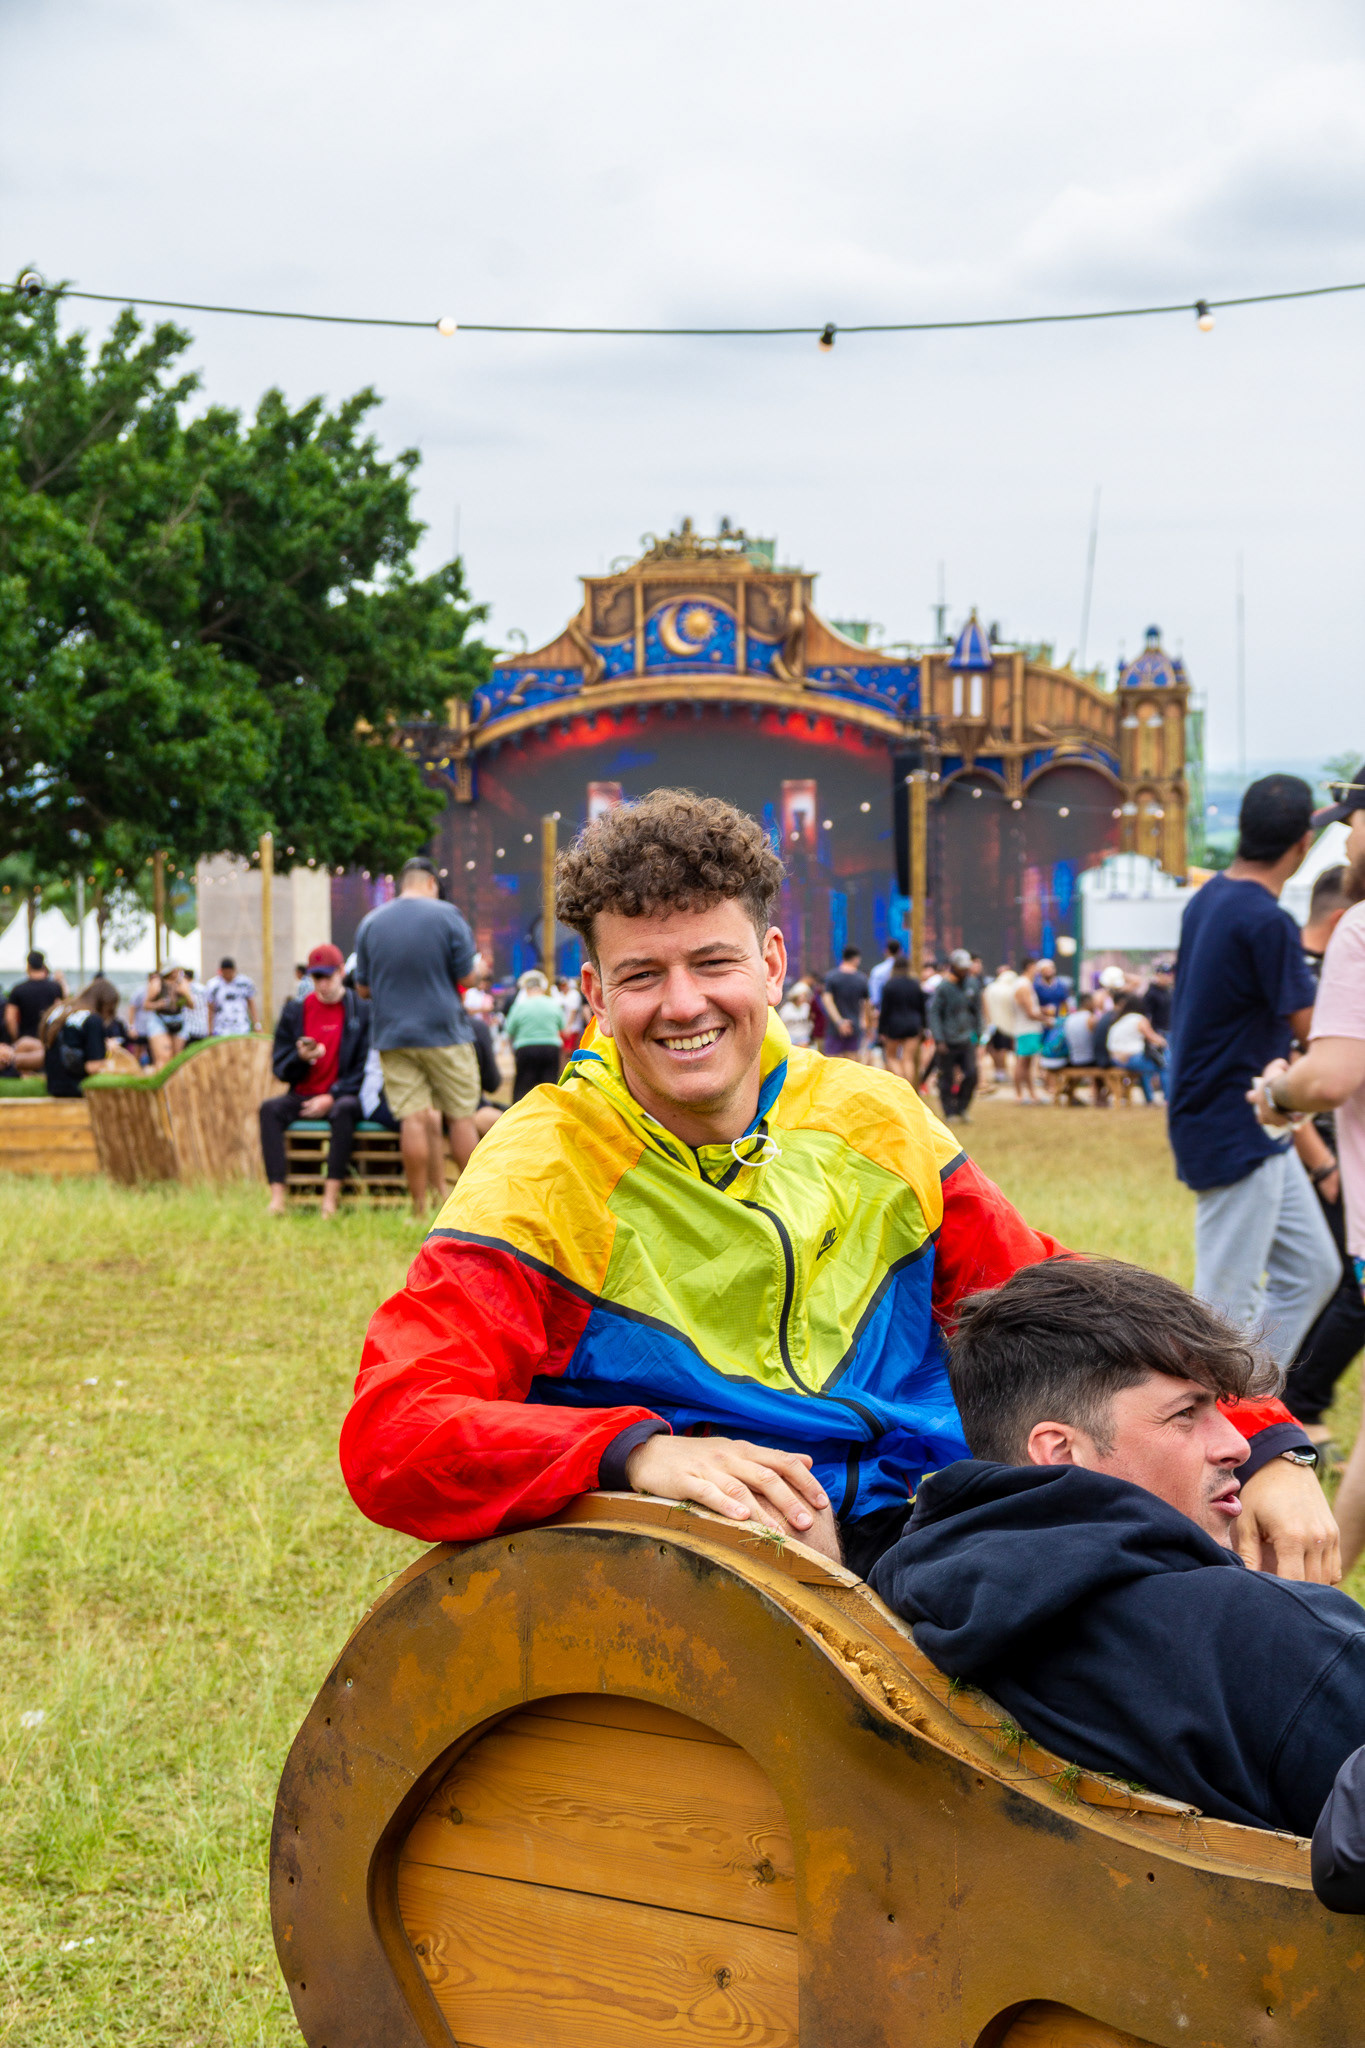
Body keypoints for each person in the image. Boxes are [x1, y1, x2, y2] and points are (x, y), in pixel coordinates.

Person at [340, 788, 1322, 1578]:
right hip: (740, 1569)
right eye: (642, 974)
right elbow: (396, 1428)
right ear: (593, 994)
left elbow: (1050, 1305)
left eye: (713, 961)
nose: (683, 1004)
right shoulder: (545, 1162)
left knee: (1239, 1629)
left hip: (943, 1530)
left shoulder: (872, 1116)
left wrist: (1262, 1442)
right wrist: (636, 1450)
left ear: (771, 963)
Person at [869, 1258, 1355, 1838]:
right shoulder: (1276, 1641)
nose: (1237, 1446)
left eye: (1221, 1409)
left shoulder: (902, 1605)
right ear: (1061, 1452)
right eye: (1186, 1414)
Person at [1166, 774, 1340, 1372]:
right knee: (1222, 1307)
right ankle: (1210, 1437)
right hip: (1237, 1117)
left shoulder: (1210, 897)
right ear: (1300, 847)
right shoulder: (1267, 922)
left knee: (1314, 1268)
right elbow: (1314, 1030)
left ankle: (1252, 1404)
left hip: (1242, 1122)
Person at [1249, 773, 1365, 1569]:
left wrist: (1275, 1091)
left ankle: (1311, 1601)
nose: (1344, 836)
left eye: (1353, 819)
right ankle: (1317, 1600)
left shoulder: (1358, 929)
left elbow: (1329, 1077)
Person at [1281, 863, 1365, 1445]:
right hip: (1327, 1148)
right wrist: (1319, 1157)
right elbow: (1303, 1072)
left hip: (1341, 1149)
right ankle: (1299, 1400)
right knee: (1342, 1286)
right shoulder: (1306, 974)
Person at [354, 856, 479, 1217]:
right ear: (430, 884)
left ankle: (419, 1209)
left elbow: (362, 989)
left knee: (412, 1117)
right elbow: (468, 978)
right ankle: (472, 1211)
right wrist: (480, 968)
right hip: (445, 1033)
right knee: (460, 1117)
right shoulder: (447, 915)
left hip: (393, 1035)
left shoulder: (371, 923)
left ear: (401, 883)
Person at [260, 944, 369, 1219]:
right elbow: (280, 1067)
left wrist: (332, 1095)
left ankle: (329, 1200)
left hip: (341, 1094)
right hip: (303, 1093)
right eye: (316, 977)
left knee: (344, 1109)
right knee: (269, 1110)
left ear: (342, 972)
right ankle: (277, 1199)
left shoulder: (360, 1010)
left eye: (328, 976)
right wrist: (300, 1057)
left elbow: (364, 1066)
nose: (322, 984)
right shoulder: (295, 1011)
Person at [40, 978, 121, 1096]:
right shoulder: (92, 1019)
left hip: (53, 1085)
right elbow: (93, 1066)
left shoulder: (59, 1011)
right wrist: (109, 1051)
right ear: (104, 1004)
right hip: (77, 1088)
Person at [927, 950, 981, 1122]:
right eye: (962, 968)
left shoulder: (972, 984)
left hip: (966, 1038)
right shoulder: (944, 987)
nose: (965, 972)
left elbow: (977, 1011)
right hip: (948, 1040)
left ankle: (962, 1108)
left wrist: (978, 1032)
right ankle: (949, 1112)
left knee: (972, 1074)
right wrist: (939, 1039)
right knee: (946, 1077)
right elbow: (934, 1013)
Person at [504, 970, 568, 1100]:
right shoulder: (553, 1004)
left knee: (523, 1088)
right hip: (551, 1048)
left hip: (526, 1049)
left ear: (526, 988)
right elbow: (563, 1027)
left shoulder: (520, 1006)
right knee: (550, 1087)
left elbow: (509, 1029)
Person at [5, 950, 64, 1072]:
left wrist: (16, 1038)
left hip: (25, 1041)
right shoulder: (55, 988)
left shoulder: (18, 990)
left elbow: (10, 1018)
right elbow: (61, 1013)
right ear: (43, 965)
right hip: (47, 1041)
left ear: (28, 966)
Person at [1105, 993, 1166, 1105]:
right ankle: (1168, 1098)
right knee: (1164, 1065)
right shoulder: (1138, 1019)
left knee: (1145, 1070)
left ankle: (1150, 1099)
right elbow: (1153, 1038)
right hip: (1131, 1058)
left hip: (1115, 1059)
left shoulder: (1120, 1019)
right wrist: (1165, 1042)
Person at [875, 956, 926, 1087]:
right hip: (914, 1025)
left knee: (891, 1057)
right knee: (908, 1059)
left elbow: (884, 1010)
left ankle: (901, 1083)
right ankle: (909, 1088)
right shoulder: (915, 984)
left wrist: (881, 1030)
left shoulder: (889, 985)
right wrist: (924, 1026)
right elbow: (922, 1008)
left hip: (894, 1025)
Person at [822, 945, 870, 1060]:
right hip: (855, 1025)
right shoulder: (862, 979)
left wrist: (839, 1022)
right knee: (852, 1063)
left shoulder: (831, 977)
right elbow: (866, 1003)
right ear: (856, 959)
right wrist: (865, 1021)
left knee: (832, 1063)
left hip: (834, 1027)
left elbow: (827, 1000)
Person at [1010, 958, 1044, 1103]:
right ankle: (1019, 1095)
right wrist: (1047, 1019)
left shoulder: (1025, 984)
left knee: (1028, 1064)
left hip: (1028, 1029)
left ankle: (1031, 1094)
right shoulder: (1023, 985)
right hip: (1026, 1029)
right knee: (1022, 1062)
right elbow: (1030, 1012)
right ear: (1030, 967)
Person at [205, 956, 260, 1036]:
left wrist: (257, 1024)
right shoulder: (213, 985)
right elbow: (210, 1008)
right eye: (225, 972)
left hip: (241, 1026)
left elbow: (251, 1004)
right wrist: (210, 1029)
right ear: (221, 971)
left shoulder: (244, 983)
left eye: (230, 972)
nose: (228, 975)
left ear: (234, 970)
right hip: (221, 1028)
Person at [867, 939, 903, 1012]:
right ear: (900, 952)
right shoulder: (908, 972)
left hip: (883, 1012)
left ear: (886, 951)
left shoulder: (877, 970)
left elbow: (874, 998)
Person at [778, 979, 814, 1049]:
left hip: (803, 1035)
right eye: (801, 995)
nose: (803, 997)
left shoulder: (806, 1007)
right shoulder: (787, 1008)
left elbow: (810, 1022)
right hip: (790, 1035)